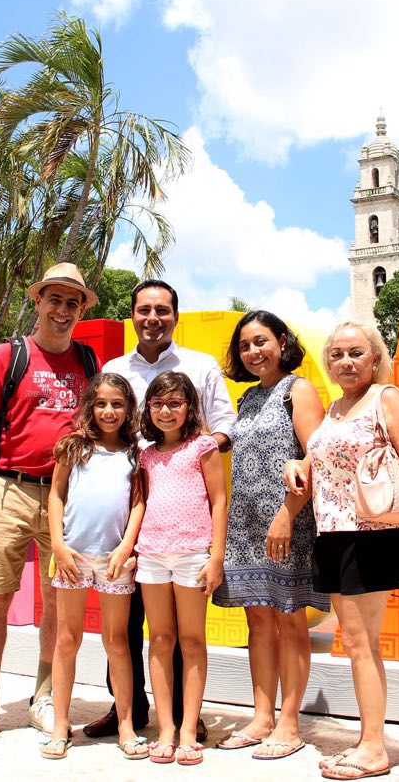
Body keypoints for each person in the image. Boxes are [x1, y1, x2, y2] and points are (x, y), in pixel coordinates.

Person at [284, 320, 399, 780]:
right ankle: (369, 740)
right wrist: (300, 462)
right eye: (337, 354)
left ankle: (374, 747)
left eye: (356, 353)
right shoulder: (335, 408)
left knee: (360, 643)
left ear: (375, 358)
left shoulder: (385, 398)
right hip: (332, 534)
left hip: (371, 534)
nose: (346, 362)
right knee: (356, 642)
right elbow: (320, 459)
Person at [85, 279, 236, 743]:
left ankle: (181, 717)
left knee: (177, 628)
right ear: (132, 314)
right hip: (126, 510)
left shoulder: (200, 366)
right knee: (123, 621)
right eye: (144, 309)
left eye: (162, 310)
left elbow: (225, 424)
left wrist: (197, 450)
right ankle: (125, 706)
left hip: (183, 525)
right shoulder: (113, 367)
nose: (153, 318)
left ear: (175, 315)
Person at [0, 263, 99, 747]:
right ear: (38, 302)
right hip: (9, 490)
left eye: (72, 302)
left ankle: (42, 696)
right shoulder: (10, 355)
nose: (62, 310)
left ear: (81, 310)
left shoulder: (88, 361)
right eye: (54, 299)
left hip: (67, 497)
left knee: (58, 601)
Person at [212, 311, 329, 759]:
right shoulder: (246, 399)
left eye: (261, 341)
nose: (253, 352)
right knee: (257, 621)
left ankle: (289, 722)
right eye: (245, 346)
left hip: (289, 524)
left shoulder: (297, 390)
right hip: (245, 526)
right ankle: (261, 716)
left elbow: (316, 459)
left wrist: (286, 515)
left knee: (289, 618)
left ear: (282, 341)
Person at [42, 373, 148, 761]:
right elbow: (56, 495)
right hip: (73, 556)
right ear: (90, 406)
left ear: (128, 409)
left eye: (117, 404)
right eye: (101, 403)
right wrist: (58, 544)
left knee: (117, 642)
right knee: (66, 640)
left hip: (114, 560)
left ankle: (125, 726)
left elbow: (137, 503)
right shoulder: (73, 448)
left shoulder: (135, 453)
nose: (109, 411)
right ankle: (59, 726)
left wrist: (125, 546)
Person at [134, 371, 228, 766]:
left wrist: (216, 556)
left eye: (175, 403)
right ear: (148, 409)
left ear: (189, 406)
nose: (166, 411)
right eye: (158, 404)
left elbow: (220, 501)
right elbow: (139, 503)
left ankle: (189, 728)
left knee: (191, 641)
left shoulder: (203, 446)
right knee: (159, 640)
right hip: (152, 554)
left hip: (192, 553)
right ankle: (166, 727)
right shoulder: (145, 454)